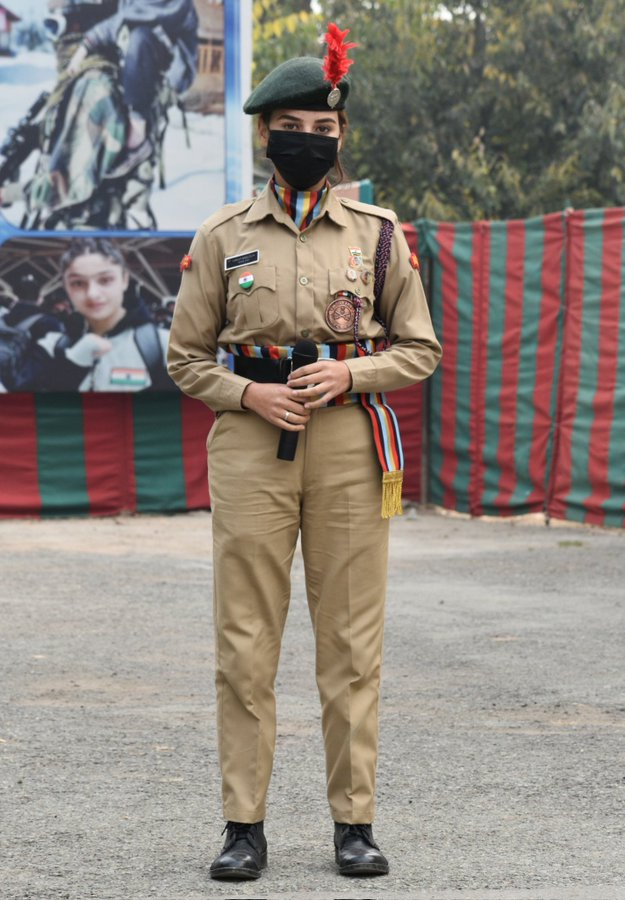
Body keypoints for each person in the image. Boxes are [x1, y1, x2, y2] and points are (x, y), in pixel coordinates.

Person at [167, 23, 442, 881]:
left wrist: (349, 380)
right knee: (245, 642)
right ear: (263, 134)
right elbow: (184, 356)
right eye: (292, 127)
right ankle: (242, 825)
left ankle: (351, 824)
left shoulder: (378, 234)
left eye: (323, 131)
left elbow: (419, 348)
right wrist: (248, 392)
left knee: (351, 643)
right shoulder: (221, 235)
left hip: (350, 451)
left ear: (339, 137)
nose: (307, 141)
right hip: (250, 445)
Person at [16, 238, 170, 391]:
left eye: (105, 280)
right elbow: (22, 408)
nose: (92, 294)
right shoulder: (51, 346)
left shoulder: (162, 345)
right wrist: (73, 364)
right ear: (66, 287)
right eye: (78, 283)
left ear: (124, 280)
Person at [67, 0, 198, 176]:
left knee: (139, 38)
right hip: (135, 65)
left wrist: (171, 85)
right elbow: (119, 22)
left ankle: (138, 138)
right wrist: (82, 50)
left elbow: (132, 17)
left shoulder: (176, 5)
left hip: (171, 68)